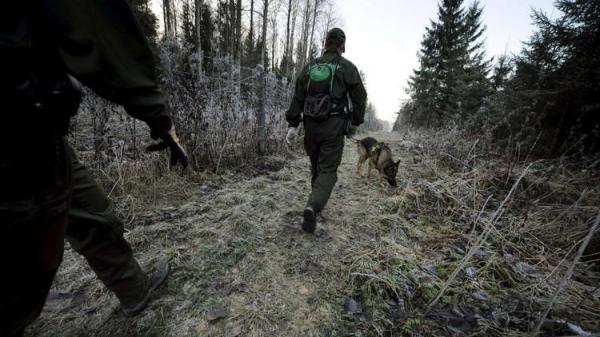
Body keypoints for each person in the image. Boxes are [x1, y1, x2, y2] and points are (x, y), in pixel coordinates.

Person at [0, 1, 189, 336]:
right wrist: (158, 116)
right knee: (20, 279)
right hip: (16, 138)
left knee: (90, 209)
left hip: (36, 132)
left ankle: (134, 289)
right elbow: (93, 26)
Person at [285, 28, 367, 233]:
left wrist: (293, 124)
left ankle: (315, 201)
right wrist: (355, 121)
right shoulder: (346, 67)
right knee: (328, 170)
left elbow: (298, 96)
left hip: (311, 126)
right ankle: (313, 206)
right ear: (342, 45)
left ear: (326, 43)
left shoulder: (310, 67)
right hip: (334, 126)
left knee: (316, 166)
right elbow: (360, 96)